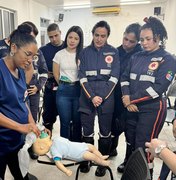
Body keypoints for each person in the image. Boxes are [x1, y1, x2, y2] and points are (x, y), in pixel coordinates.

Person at [120, 16, 176, 178]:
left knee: (144, 146)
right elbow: (124, 78)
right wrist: (125, 97)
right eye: (141, 39)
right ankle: (133, 174)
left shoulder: (168, 59)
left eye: (148, 39)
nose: (143, 43)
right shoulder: (136, 57)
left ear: (158, 38)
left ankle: (146, 175)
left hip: (152, 110)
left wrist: (131, 99)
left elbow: (159, 87)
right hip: (130, 107)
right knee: (131, 142)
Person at [78, 20, 120, 177]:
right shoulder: (84, 52)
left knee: (105, 132)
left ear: (107, 36)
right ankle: (87, 160)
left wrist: (101, 97)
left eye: (103, 36)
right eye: (97, 35)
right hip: (87, 96)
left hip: (106, 98)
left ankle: (101, 163)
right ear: (92, 34)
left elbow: (115, 77)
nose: (99, 39)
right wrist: (92, 96)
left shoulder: (113, 52)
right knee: (87, 131)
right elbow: (81, 76)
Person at [0, 24, 41, 180]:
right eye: (28, 54)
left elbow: (23, 100)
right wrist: (21, 127)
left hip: (17, 141)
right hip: (2, 142)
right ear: (14, 47)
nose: (30, 61)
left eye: (34, 56)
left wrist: (32, 124)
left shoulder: (21, 72)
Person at [110, 23, 142, 173]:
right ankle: (112, 149)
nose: (127, 44)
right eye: (125, 39)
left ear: (138, 42)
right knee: (113, 126)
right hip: (115, 96)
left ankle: (128, 160)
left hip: (132, 98)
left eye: (132, 41)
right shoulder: (115, 52)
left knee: (130, 131)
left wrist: (130, 98)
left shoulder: (141, 54)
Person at [21, 21, 48, 160]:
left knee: (33, 118)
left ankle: (32, 147)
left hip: (34, 91)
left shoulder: (39, 52)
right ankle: (20, 147)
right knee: (20, 119)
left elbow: (44, 72)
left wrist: (38, 86)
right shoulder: (15, 51)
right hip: (19, 90)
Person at [53, 26, 83, 142]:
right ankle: (64, 147)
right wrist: (62, 85)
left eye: (76, 38)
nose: (72, 40)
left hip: (78, 90)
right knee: (64, 121)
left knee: (77, 121)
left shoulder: (82, 54)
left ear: (80, 41)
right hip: (63, 91)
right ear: (66, 37)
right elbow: (56, 73)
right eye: (70, 37)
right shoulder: (59, 54)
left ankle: (75, 147)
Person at [32, 133, 110, 177]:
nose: (43, 135)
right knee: (92, 156)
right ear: (42, 147)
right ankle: (103, 163)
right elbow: (58, 163)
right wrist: (66, 171)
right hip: (78, 154)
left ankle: (101, 157)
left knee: (92, 147)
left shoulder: (54, 139)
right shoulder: (54, 151)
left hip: (80, 146)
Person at [40, 23, 64, 132]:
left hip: (66, 88)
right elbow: (39, 69)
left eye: (56, 35)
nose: (54, 39)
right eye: (51, 37)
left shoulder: (68, 47)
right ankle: (46, 145)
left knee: (67, 119)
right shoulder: (43, 50)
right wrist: (47, 73)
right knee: (48, 119)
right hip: (50, 87)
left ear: (60, 33)